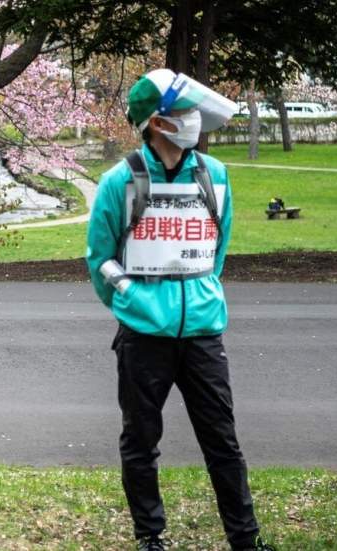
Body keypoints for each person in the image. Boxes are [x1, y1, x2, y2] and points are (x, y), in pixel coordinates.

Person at [86, 69, 275, 551]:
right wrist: (133, 299)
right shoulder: (119, 181)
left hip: (203, 333)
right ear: (156, 123)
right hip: (143, 335)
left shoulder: (217, 176)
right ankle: (150, 537)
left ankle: (245, 540)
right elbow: (99, 257)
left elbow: (218, 248)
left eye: (193, 111)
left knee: (223, 443)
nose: (192, 121)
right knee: (140, 442)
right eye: (181, 113)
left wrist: (199, 295)